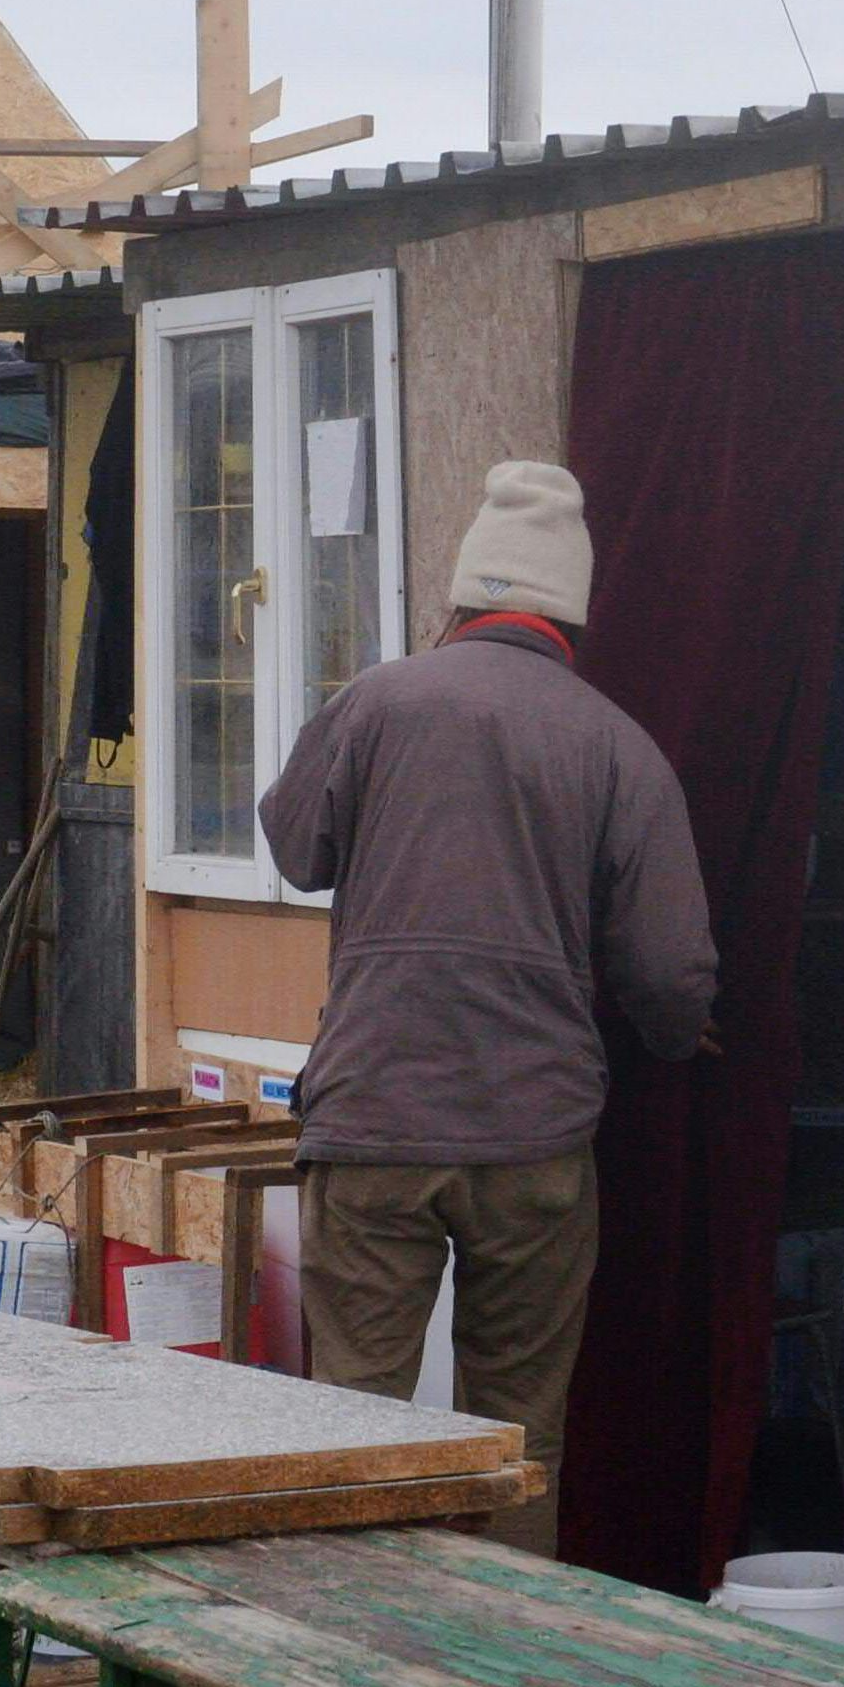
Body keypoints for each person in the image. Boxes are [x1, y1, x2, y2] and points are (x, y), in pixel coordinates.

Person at [259, 460, 715, 1557]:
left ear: (457, 603)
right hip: (533, 1139)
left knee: (353, 1426)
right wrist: (674, 1034)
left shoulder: (376, 701)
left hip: (373, 1120)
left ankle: (345, 1648)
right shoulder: (616, 743)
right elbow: (667, 968)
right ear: (572, 620)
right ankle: (504, 1647)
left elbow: (295, 846)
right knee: (514, 1435)